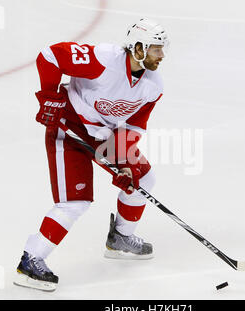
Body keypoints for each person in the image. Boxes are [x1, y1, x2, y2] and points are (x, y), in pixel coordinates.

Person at [13, 18, 169, 292]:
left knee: (142, 180)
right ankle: (30, 261)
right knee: (75, 203)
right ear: (139, 48)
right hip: (68, 129)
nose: (162, 55)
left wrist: (125, 167)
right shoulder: (102, 60)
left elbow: (133, 126)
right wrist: (49, 96)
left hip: (103, 137)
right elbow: (50, 56)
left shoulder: (153, 86)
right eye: (157, 49)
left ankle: (121, 237)